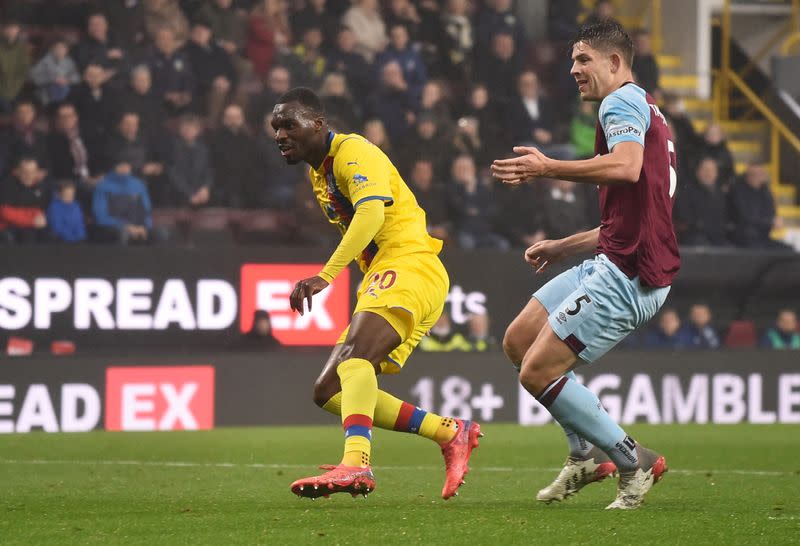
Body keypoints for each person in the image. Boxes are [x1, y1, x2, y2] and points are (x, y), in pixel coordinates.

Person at [491, 20, 679, 510]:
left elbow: (626, 167)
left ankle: (632, 463)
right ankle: (584, 455)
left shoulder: (621, 102)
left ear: (614, 63)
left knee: (535, 374)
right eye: (572, 60)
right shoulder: (645, 112)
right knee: (518, 340)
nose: (572, 70)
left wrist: (547, 166)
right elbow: (632, 213)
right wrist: (563, 246)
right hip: (612, 257)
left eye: (582, 60)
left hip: (631, 274)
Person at [271, 87, 481, 500]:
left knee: (354, 359)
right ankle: (450, 432)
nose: (280, 134)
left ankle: (357, 463)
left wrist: (325, 276)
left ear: (318, 123)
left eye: (289, 124)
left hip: (408, 262)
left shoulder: (353, 152)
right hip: (388, 272)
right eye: (275, 127)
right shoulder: (319, 172)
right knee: (329, 391)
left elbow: (370, 213)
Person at [92, 156, 157, 244]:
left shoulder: (139, 184)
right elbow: (101, 217)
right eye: (121, 165)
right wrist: (126, 226)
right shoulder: (103, 186)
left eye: (127, 165)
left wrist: (144, 226)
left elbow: (146, 211)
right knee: (124, 234)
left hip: (139, 226)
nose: (125, 168)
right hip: (114, 228)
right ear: (114, 167)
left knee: (162, 234)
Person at [728, 163, 789, 249]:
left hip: (762, 237)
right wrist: (770, 222)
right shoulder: (738, 191)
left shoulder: (766, 192)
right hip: (743, 237)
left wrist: (776, 220)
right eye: (752, 175)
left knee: (789, 250)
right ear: (746, 176)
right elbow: (746, 217)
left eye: (759, 174)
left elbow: (771, 213)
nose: (755, 177)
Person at [167, 114, 213, 207]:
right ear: (180, 130)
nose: (188, 131)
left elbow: (208, 171)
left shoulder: (203, 149)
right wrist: (190, 193)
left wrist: (205, 188)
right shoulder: (172, 148)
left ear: (198, 131)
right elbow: (173, 175)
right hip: (179, 196)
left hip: (201, 196)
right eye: (186, 128)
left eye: (192, 128)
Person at [0, 157, 49, 243]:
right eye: (25, 172)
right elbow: (5, 213)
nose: (29, 175)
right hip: (7, 226)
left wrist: (40, 218)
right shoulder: (7, 185)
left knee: (47, 233)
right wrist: (30, 221)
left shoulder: (39, 186)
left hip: (28, 224)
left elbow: (38, 209)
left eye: (32, 172)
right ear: (18, 171)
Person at [29, 39, 81, 105]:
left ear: (67, 50)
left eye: (63, 48)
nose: (60, 50)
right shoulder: (44, 61)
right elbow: (33, 76)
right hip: (47, 92)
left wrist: (67, 80)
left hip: (66, 91)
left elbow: (77, 77)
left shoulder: (70, 62)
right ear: (52, 49)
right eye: (58, 48)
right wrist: (53, 79)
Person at [0, 20, 30, 112]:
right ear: (3, 30)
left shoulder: (22, 48)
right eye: (9, 28)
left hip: (18, 85)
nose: (11, 31)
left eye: (14, 28)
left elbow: (24, 68)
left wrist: (17, 82)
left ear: (18, 30)